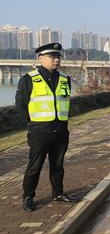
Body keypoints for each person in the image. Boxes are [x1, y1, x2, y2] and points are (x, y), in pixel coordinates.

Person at [15, 43, 78, 212]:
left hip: (61, 130)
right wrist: (33, 123)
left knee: (58, 165)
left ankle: (58, 194)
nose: (56, 60)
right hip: (39, 131)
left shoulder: (65, 79)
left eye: (58, 57)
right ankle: (28, 196)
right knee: (34, 166)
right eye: (52, 57)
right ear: (41, 58)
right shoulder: (29, 79)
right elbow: (21, 105)